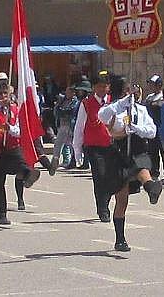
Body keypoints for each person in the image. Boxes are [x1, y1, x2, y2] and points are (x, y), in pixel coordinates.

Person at [96, 76, 162, 252]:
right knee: (122, 198)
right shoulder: (113, 109)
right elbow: (102, 117)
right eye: (130, 90)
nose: (135, 92)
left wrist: (136, 129)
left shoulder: (141, 110)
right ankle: (120, 239)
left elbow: (152, 131)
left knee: (141, 166)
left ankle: (152, 189)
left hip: (138, 147)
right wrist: (121, 105)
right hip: (119, 151)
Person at [0, 82, 41, 225]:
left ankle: (27, 175)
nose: (3, 96)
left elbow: (20, 131)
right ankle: (0, 215)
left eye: (5, 93)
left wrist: (11, 129)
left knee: (21, 163)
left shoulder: (15, 109)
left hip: (12, 146)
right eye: (0, 93)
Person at [71, 75, 114, 222]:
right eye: (100, 86)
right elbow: (79, 127)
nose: (103, 89)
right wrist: (77, 150)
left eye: (105, 86)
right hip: (94, 147)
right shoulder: (87, 103)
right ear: (94, 87)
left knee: (110, 178)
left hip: (111, 146)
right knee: (100, 176)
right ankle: (103, 209)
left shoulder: (113, 103)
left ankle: (106, 202)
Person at [51, 81, 85, 172]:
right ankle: (55, 159)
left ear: (73, 93)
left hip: (71, 125)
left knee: (71, 144)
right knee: (58, 143)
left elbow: (70, 111)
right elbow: (57, 110)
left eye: (69, 92)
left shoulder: (76, 102)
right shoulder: (62, 100)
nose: (67, 94)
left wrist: (62, 111)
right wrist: (60, 108)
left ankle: (74, 160)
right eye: (66, 92)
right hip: (62, 124)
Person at [142, 75, 164, 179]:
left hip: (161, 128)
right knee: (152, 151)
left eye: (152, 84)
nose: (150, 86)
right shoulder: (149, 97)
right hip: (151, 128)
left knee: (163, 152)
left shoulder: (162, 97)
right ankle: (154, 172)